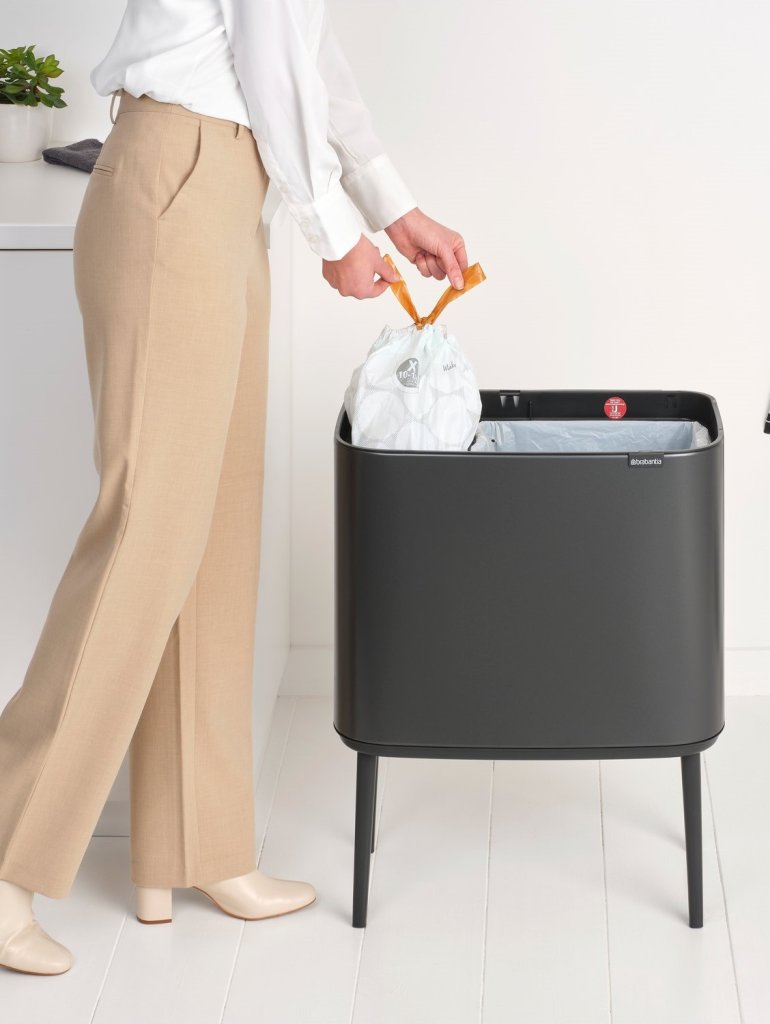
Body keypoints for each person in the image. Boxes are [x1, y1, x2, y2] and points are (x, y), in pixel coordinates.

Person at [0, 0, 467, 976]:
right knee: (147, 534)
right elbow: (273, 63)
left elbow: (307, 53)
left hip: (225, 188)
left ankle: (196, 844)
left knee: (215, 525)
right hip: (180, 173)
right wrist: (334, 231)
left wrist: (390, 203)